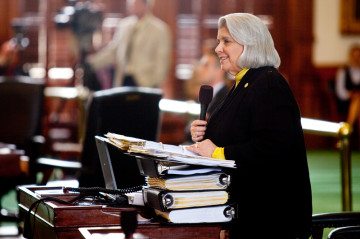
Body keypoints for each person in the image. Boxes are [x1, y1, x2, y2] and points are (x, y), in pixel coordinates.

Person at [186, 13, 312, 239]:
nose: (217, 48)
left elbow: (272, 149)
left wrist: (216, 152)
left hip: (270, 221)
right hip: (246, 216)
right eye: (218, 41)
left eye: (226, 41)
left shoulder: (268, 83)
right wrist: (204, 133)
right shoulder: (242, 83)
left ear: (250, 44)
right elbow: (234, 133)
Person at [87, 0, 171, 88]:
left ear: (146, 5)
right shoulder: (124, 25)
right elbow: (113, 51)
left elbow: (162, 61)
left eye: (136, 3)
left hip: (145, 82)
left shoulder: (159, 29)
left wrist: (154, 82)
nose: (132, 6)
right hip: (123, 79)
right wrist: (92, 64)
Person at [335, 44, 360, 126]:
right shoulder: (343, 71)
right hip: (345, 103)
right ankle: (349, 127)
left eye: (358, 56)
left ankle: (348, 128)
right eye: (354, 56)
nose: (357, 59)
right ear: (350, 57)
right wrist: (351, 95)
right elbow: (340, 92)